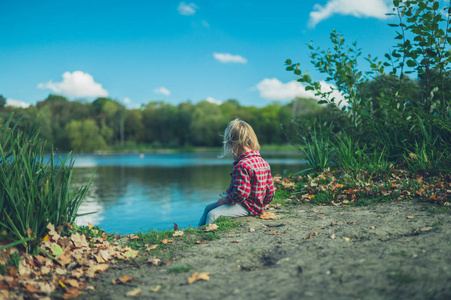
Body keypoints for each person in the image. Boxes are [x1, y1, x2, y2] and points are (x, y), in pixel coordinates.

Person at [198, 118, 275, 226]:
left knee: (212, 214)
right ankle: (200, 231)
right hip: (256, 205)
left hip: (247, 207)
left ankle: (206, 237)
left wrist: (224, 200)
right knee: (208, 207)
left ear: (230, 144)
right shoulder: (264, 162)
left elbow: (241, 193)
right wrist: (265, 203)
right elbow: (270, 190)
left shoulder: (242, 165)